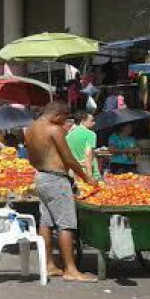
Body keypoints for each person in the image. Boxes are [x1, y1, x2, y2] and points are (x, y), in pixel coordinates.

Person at [25, 102, 97, 282]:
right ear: (58, 115)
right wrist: (86, 177)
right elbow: (69, 159)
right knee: (66, 224)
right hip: (56, 179)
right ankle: (71, 270)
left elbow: (31, 159)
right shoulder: (54, 129)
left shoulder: (31, 129)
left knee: (46, 222)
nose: (65, 123)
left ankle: (49, 265)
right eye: (64, 118)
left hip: (41, 177)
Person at [66, 111, 100, 182]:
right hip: (88, 171)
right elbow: (88, 154)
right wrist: (90, 175)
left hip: (74, 172)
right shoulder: (90, 134)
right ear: (82, 121)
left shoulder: (68, 135)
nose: (94, 123)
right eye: (92, 120)